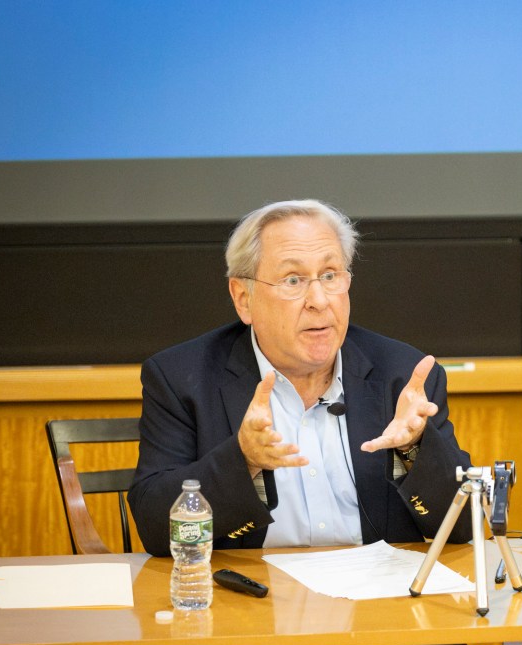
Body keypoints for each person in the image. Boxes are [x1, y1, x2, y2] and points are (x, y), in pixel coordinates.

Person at [128, 199, 472, 560]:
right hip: (250, 603)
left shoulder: (404, 376)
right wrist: (242, 461)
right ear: (243, 298)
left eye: (330, 275)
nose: (319, 300)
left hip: (378, 606)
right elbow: (156, 528)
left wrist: (416, 448)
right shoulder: (183, 378)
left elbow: (463, 527)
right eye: (293, 280)